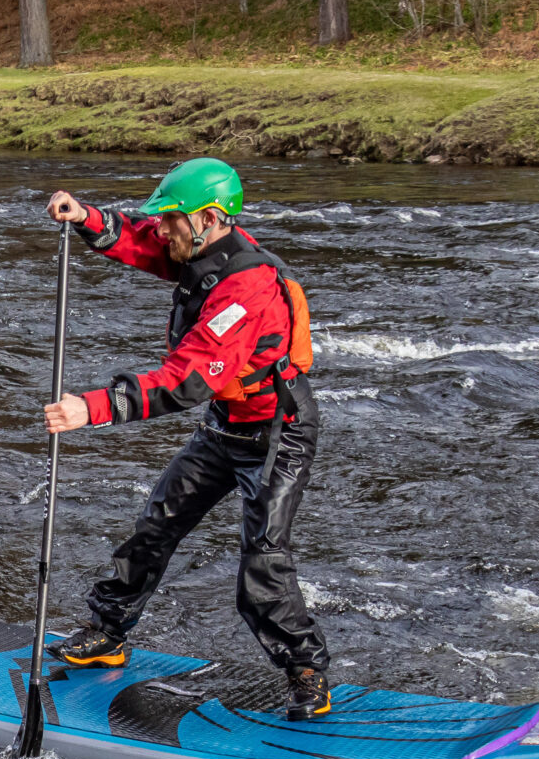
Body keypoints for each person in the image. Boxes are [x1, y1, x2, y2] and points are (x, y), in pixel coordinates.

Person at [39, 156, 334, 718]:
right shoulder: (201, 249)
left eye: (175, 217)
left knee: (262, 564)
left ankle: (305, 671)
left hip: (277, 435)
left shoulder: (246, 291)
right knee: (157, 525)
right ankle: (107, 632)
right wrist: (89, 219)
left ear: (211, 217)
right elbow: (148, 243)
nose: (166, 227)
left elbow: (189, 380)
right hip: (226, 427)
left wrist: (93, 409)